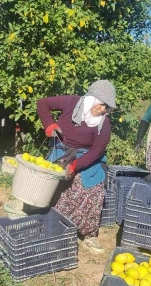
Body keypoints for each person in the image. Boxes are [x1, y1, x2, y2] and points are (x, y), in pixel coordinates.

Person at [36, 80, 117, 254]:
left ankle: (89, 234)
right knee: (58, 183)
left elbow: (97, 150)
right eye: (102, 105)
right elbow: (43, 103)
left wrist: (76, 165)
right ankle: (54, 226)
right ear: (93, 98)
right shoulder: (72, 102)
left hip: (87, 158)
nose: (104, 110)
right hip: (62, 151)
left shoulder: (104, 124)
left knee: (92, 187)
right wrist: (49, 124)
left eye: (107, 107)